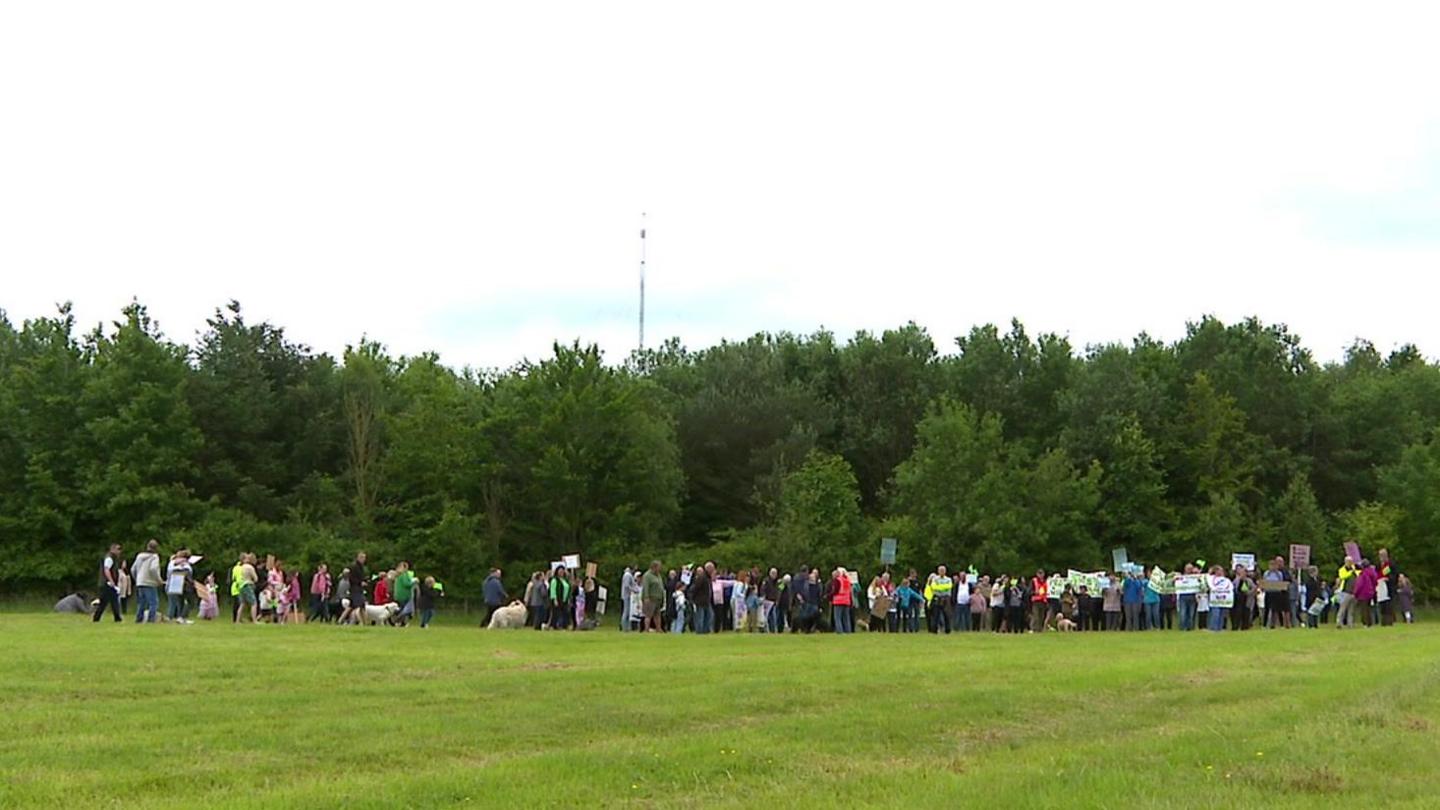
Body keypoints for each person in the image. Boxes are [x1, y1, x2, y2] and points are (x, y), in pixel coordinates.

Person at [132, 539, 163, 624]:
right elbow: (153, 569)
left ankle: (139, 619)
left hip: (140, 582)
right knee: (153, 602)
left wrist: (137, 579)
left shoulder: (139, 556)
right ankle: (150, 620)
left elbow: (133, 569)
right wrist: (158, 580)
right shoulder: (155, 557)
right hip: (150, 582)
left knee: (141, 602)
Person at [92, 544, 124, 623]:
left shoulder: (113, 558)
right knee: (106, 602)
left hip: (107, 583)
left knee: (111, 601)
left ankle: (116, 618)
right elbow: (107, 570)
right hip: (107, 583)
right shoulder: (109, 558)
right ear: (113, 549)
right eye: (118, 549)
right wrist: (112, 581)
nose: (119, 551)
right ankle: (97, 618)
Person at [165, 549, 193, 624]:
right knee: (177, 602)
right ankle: (176, 617)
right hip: (179, 585)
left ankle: (177, 617)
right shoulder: (185, 566)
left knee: (178, 602)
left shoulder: (174, 563)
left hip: (175, 585)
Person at [1262, 557, 1291, 629]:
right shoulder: (1266, 573)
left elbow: (1280, 581)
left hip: (1276, 592)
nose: (1272, 567)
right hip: (1269, 592)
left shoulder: (1279, 573)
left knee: (1277, 609)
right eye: (1271, 565)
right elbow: (1264, 581)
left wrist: (1276, 572)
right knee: (1267, 608)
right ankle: (1264, 625)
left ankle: (1279, 624)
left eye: (1273, 565)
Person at [1335, 557, 1360, 629]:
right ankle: (1339, 623)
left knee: (1351, 610)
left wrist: (1355, 570)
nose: (1350, 563)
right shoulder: (1342, 570)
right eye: (1348, 561)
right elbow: (1343, 576)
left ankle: (1350, 624)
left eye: (1351, 561)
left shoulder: (1354, 569)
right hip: (1345, 592)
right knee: (1342, 609)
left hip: (1354, 592)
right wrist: (1351, 572)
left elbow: (1359, 575)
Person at [688, 565, 713, 634]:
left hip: (706, 601)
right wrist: (693, 597)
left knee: (708, 616)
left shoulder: (707, 577)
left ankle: (705, 630)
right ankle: (699, 631)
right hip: (700, 601)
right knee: (700, 617)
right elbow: (695, 588)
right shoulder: (702, 578)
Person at [1354, 560, 1380, 628]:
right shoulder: (1373, 572)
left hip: (1363, 593)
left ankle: (1365, 623)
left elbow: (1359, 584)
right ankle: (1370, 623)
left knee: (1364, 609)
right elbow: (1375, 582)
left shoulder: (1363, 574)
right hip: (1370, 592)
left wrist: (1355, 593)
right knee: (1369, 608)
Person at [641, 561, 665, 632]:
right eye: (659, 567)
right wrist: (646, 597)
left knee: (657, 615)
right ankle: (646, 629)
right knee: (648, 615)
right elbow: (646, 587)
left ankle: (658, 628)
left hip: (658, 599)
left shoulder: (658, 575)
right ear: (654, 567)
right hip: (651, 598)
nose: (660, 569)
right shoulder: (647, 576)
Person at [929, 566, 953, 634]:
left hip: (946, 598)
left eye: (943, 570)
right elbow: (933, 587)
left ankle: (948, 630)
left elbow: (949, 587)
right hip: (937, 597)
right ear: (938, 571)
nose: (942, 572)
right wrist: (943, 587)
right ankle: (934, 630)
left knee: (947, 615)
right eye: (940, 570)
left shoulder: (948, 579)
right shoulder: (935, 579)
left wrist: (939, 587)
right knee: (936, 614)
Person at [1377, 549, 1398, 626]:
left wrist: (1388, 579)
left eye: (1382, 555)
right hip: (1381, 587)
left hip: (1389, 587)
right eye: (1380, 555)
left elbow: (1395, 575)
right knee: (1382, 605)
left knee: (1389, 605)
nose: (1381, 557)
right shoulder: (1379, 565)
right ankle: (1383, 621)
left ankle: (1390, 621)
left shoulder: (1391, 564)